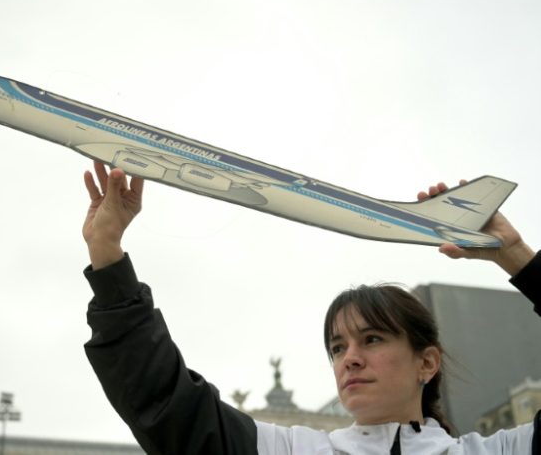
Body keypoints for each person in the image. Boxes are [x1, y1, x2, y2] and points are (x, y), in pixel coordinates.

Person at [81, 162, 540, 454]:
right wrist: (107, 254)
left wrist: (515, 255)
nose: (350, 358)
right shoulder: (287, 449)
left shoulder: (503, 451)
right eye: (337, 347)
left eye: (373, 338)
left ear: (427, 362)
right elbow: (166, 405)